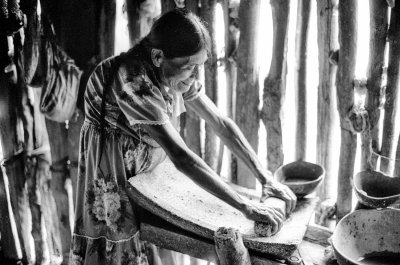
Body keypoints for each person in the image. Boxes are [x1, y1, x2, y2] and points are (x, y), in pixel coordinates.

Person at [69, 8, 296, 265]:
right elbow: (181, 157)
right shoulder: (133, 81)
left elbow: (220, 122)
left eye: (199, 66)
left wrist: (265, 177)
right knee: (117, 248)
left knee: (151, 244)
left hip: (145, 168)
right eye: (190, 68)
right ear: (157, 56)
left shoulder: (173, 72)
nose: (195, 76)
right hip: (111, 164)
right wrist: (246, 206)